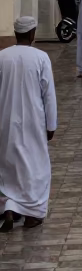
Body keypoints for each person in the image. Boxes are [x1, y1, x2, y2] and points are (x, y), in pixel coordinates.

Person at [0, 17, 57, 232]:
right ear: (32, 33)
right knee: (35, 166)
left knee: (7, 165)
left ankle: (10, 207)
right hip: (33, 121)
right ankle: (32, 213)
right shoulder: (41, 57)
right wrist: (51, 124)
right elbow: (48, 94)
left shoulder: (2, 56)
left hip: (5, 119)